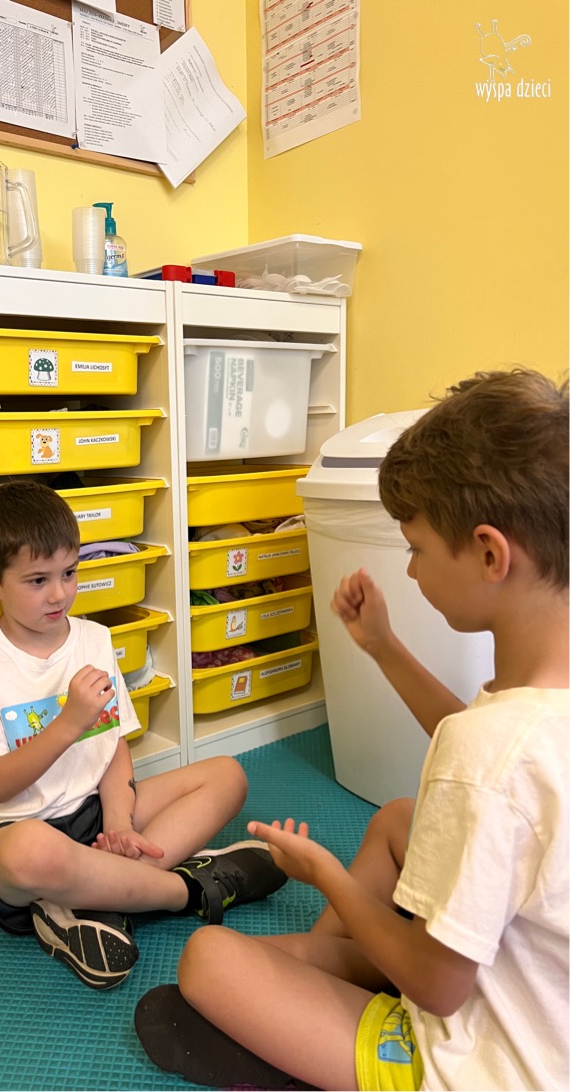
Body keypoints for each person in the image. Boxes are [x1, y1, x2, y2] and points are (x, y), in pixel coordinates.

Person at [135, 368, 569, 1090]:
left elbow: (439, 988)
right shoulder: (532, 707)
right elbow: (487, 751)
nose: (412, 570)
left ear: (490, 554)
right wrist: (383, 647)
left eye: (417, 548)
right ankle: (311, 990)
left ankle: (316, 1033)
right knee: (399, 819)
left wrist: (329, 878)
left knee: (206, 960)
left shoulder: (486, 753)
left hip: (490, 1060)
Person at [0, 480, 286, 991]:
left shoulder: (94, 639)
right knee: (32, 853)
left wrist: (119, 820)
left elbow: (113, 745)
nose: (59, 593)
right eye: (37, 580)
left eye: (69, 572)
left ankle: (92, 898)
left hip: (94, 813)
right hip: (15, 830)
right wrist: (68, 722)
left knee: (227, 775)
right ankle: (182, 891)